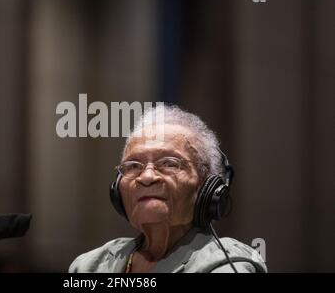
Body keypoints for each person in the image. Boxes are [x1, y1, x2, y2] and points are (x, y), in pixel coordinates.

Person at [69, 104, 267, 273]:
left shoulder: (229, 263)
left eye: (170, 163)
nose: (146, 177)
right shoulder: (89, 266)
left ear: (208, 187)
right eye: (133, 166)